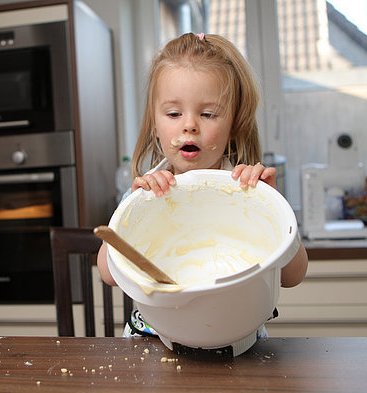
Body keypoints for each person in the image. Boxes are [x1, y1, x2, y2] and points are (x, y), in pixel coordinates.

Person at [96, 32, 308, 338]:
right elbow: (107, 273)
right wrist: (130, 214)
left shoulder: (247, 192)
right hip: (154, 346)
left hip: (236, 344)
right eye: (173, 113)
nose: (189, 124)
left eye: (208, 114)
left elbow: (293, 276)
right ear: (155, 125)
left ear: (234, 124)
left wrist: (276, 213)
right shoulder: (148, 191)